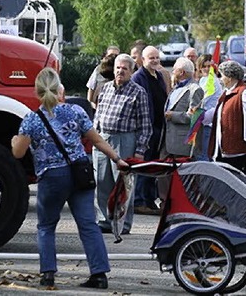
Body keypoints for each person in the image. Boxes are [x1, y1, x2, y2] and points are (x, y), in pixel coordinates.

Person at [11, 68, 128, 289]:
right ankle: (99, 274)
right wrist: (117, 159)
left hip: (52, 177)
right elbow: (97, 141)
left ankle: (48, 274)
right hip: (79, 174)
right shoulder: (75, 111)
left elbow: (18, 153)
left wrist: (14, 141)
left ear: (37, 92)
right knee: (88, 225)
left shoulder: (31, 120)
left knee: (46, 226)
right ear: (59, 90)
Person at [94, 53, 152, 233]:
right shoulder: (105, 89)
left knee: (123, 185)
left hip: (125, 141)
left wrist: (140, 151)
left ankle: (122, 224)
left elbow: (145, 125)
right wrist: (96, 137)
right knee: (101, 181)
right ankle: (104, 221)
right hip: (104, 138)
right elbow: (98, 116)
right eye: (118, 68)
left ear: (131, 71)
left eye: (124, 69)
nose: (120, 71)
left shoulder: (138, 92)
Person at [131, 46, 169, 215]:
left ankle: (148, 199)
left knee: (153, 166)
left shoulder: (159, 75)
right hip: (146, 128)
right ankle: (139, 201)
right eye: (151, 58)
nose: (154, 60)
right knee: (144, 165)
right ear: (143, 60)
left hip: (158, 127)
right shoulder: (138, 77)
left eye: (156, 58)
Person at [208, 60, 246, 173]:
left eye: (222, 75)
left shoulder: (244, 93)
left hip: (238, 150)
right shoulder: (227, 93)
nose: (220, 79)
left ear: (229, 77)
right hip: (225, 149)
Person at [161, 57, 204, 159]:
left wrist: (172, 115)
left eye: (174, 69)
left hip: (182, 146)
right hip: (168, 142)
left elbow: (196, 118)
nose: (172, 71)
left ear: (181, 72)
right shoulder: (176, 87)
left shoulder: (195, 90)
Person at [195, 54, 223, 161]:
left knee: (205, 154)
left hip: (209, 121)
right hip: (205, 119)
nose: (206, 69)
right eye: (204, 66)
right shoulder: (204, 79)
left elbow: (203, 100)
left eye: (208, 66)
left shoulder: (211, 80)